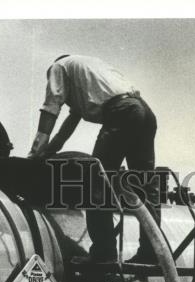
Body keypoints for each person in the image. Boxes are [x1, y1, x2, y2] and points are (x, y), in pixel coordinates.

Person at [28, 54, 160, 265]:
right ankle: (153, 253)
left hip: (122, 113)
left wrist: (36, 151)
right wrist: (51, 150)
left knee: (96, 181)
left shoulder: (58, 67)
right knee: (142, 184)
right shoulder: (89, 71)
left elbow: (51, 108)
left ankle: (103, 252)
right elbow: (70, 123)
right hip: (143, 112)